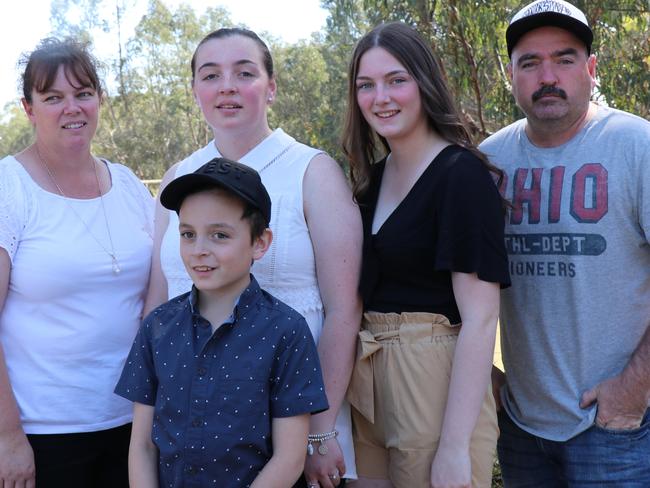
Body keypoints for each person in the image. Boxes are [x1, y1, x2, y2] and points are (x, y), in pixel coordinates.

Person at [144, 27, 362, 488]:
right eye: (211, 75)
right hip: (193, 432)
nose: (227, 86)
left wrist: (317, 433)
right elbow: (158, 304)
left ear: (271, 87)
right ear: (195, 90)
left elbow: (343, 309)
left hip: (293, 428)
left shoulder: (310, 170)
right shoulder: (177, 177)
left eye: (244, 73)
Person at [480, 0, 650, 485]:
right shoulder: (489, 162)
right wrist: (487, 384)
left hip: (615, 429)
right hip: (520, 427)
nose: (547, 75)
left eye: (565, 58)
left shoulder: (635, 147)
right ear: (510, 73)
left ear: (591, 69)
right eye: (530, 63)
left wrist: (633, 389)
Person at [343, 21, 510, 488]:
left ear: (425, 82)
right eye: (366, 85)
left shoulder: (461, 176)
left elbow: (480, 318)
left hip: (433, 375)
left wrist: (454, 448)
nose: (381, 97)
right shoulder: (370, 182)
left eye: (397, 80)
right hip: (369, 373)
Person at [116, 157, 329, 487]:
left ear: (260, 243)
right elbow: (142, 446)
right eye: (188, 234)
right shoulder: (158, 327)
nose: (199, 250)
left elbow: (289, 458)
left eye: (219, 235)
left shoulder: (287, 331)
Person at [0, 38, 153, 488]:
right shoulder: (9, 189)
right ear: (29, 108)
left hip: (133, 425)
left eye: (83, 93)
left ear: (99, 100)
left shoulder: (126, 184)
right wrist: (7, 436)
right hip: (44, 435)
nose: (73, 108)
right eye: (53, 98)